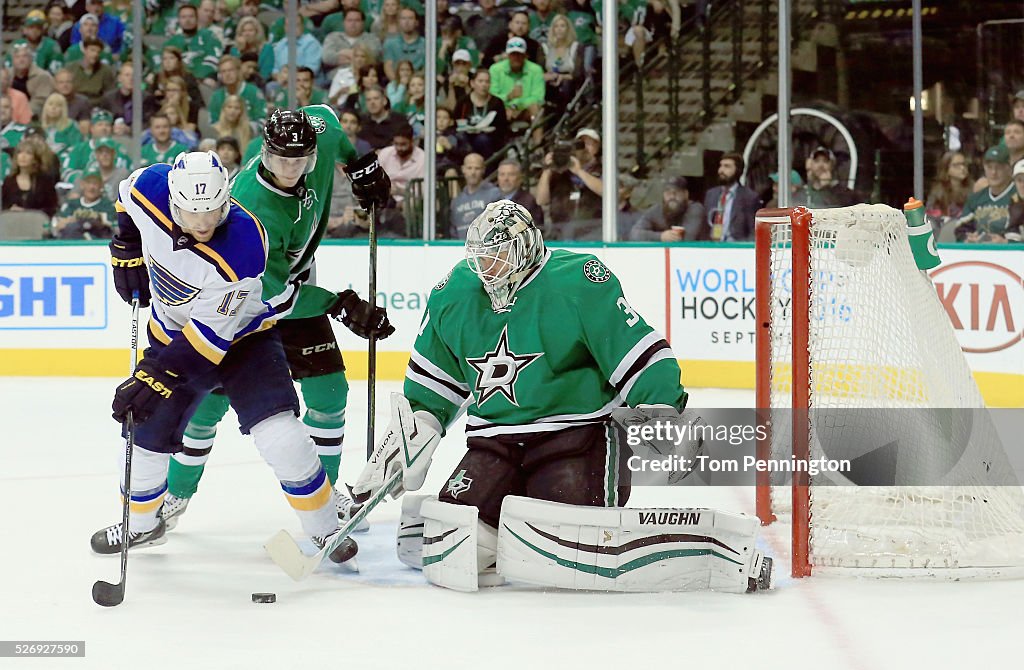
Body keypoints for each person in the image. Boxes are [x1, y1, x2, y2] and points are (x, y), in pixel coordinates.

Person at [351, 200, 772, 593]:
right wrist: (404, 443)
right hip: (493, 441)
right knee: (457, 530)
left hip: (578, 437)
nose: (486, 268)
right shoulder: (454, 293)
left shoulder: (578, 281)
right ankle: (507, 531)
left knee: (568, 531)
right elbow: (431, 387)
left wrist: (665, 409)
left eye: (496, 256)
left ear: (526, 247)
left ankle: (707, 551)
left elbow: (636, 350)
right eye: (479, 257)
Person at [88, 151, 355, 565]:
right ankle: (141, 526)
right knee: (143, 434)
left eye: (213, 212)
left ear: (226, 198)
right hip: (171, 333)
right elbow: (126, 196)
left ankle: (324, 529)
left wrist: (154, 376)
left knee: (280, 434)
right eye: (193, 215)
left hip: (243, 341)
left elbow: (209, 341)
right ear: (173, 200)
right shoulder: (150, 186)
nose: (203, 225)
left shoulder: (245, 244)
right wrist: (126, 245)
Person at [161, 108, 395, 533]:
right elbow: (273, 296)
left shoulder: (318, 137)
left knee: (329, 391)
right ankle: (175, 492)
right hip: (243, 299)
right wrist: (340, 303)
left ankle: (324, 498)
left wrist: (360, 165)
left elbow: (329, 123)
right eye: (280, 160)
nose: (290, 169)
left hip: (295, 283)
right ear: (264, 153)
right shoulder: (253, 209)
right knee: (209, 402)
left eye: (299, 161)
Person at [535, 128, 603, 240]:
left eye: (589, 143)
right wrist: (547, 170)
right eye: (580, 144)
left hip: (593, 232)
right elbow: (541, 200)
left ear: (597, 147)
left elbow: (607, 192)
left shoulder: (603, 168)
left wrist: (579, 171)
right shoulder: (560, 171)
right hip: (561, 232)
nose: (584, 148)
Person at [955, 145, 1015, 243]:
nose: (993, 172)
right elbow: (961, 229)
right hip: (980, 253)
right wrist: (967, 238)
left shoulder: (1019, 196)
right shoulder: (976, 198)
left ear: (1009, 169)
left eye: (998, 168)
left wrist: (1006, 242)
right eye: (989, 167)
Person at [451, 68, 509, 161]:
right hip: (466, 135)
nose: (484, 85)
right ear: (472, 83)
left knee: (482, 139)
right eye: (480, 81)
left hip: (489, 139)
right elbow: (455, 123)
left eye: (487, 82)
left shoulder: (497, 102)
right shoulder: (463, 102)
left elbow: (502, 128)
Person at [703, 152, 761, 241]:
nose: (721, 170)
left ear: (738, 170)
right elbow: (705, 227)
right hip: (712, 246)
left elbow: (754, 231)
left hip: (735, 247)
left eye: (727, 166)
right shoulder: (711, 194)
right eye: (720, 166)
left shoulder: (749, 197)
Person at [489, 37, 545, 127]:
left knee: (535, 108)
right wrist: (508, 97)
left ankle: (537, 141)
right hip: (502, 109)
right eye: (513, 54)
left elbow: (538, 97)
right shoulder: (495, 69)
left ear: (525, 55)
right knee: (496, 110)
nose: (516, 58)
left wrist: (516, 106)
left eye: (519, 54)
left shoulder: (536, 70)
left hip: (525, 109)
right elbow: (492, 95)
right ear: (508, 55)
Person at [630, 176, 706, 241]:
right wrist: (661, 236)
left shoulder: (695, 209)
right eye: (668, 193)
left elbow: (688, 238)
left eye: (676, 192)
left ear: (686, 194)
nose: (672, 197)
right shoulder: (656, 210)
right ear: (663, 195)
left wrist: (669, 237)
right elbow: (634, 234)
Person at [165, 3, 222, 84]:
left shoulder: (208, 36)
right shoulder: (172, 41)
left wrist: (199, 75)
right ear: (179, 20)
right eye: (183, 17)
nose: (187, 20)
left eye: (191, 16)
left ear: (197, 18)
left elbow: (214, 57)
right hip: (178, 80)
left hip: (204, 78)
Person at [51, 170, 116, 239]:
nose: (91, 187)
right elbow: (57, 224)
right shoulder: (70, 205)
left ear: (101, 186)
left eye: (95, 183)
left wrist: (76, 220)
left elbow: (112, 226)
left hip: (98, 246)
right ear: (82, 185)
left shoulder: (109, 206)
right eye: (88, 182)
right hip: (71, 245)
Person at [450, 153, 501, 239]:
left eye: (477, 168)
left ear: (483, 170)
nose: (473, 172)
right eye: (469, 168)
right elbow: (453, 231)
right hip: (460, 249)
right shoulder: (456, 202)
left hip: (486, 250)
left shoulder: (494, 194)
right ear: (463, 169)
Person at [3, 140, 58, 218]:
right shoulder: (8, 181)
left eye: (28, 153)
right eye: (20, 152)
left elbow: (52, 208)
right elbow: (3, 206)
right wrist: (10, 210)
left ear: (35, 159)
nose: (23, 156)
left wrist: (27, 212)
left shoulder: (44, 181)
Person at [790, 146, 856, 210]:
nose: (821, 165)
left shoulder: (842, 192)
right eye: (817, 161)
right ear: (810, 164)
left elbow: (843, 210)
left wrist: (828, 187)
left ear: (832, 165)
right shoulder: (803, 192)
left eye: (825, 161)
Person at [208, 55, 267, 126]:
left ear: (239, 71)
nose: (227, 74)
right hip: (224, 134)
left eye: (231, 70)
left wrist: (248, 129)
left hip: (249, 133)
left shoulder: (253, 92)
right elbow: (212, 122)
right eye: (223, 72)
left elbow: (262, 119)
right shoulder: (216, 96)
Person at [376, 121, 425, 206]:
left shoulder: (422, 158)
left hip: (410, 199)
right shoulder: (385, 153)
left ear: (412, 141)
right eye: (396, 144)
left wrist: (401, 192)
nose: (399, 148)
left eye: (403, 144)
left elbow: (423, 191)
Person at [926, 151, 971, 236]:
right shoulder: (937, 194)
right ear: (946, 169)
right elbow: (931, 219)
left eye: (964, 164)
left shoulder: (973, 190)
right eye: (956, 165)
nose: (962, 168)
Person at [495, 158, 543, 228]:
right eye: (502, 174)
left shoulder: (529, 201)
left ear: (520, 178)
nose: (506, 179)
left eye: (511, 174)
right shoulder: (492, 199)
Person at [358, 86, 408, 150]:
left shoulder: (399, 120)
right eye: (368, 100)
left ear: (384, 101)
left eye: (376, 98)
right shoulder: (361, 121)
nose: (372, 102)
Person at [382, 8, 425, 82]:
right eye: (403, 18)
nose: (406, 22)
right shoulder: (390, 43)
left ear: (416, 22)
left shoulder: (425, 44)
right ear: (399, 22)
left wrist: (413, 83)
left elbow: (426, 68)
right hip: (396, 84)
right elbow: (388, 67)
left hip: (419, 84)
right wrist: (398, 84)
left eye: (410, 18)